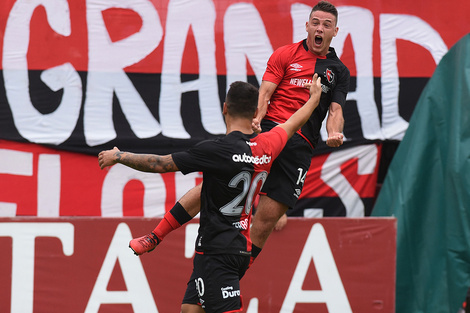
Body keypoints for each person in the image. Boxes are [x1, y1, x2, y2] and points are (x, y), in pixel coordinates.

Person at [115, 0, 350, 267]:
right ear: (307, 26)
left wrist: (335, 133)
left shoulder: (339, 71)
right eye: (316, 23)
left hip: (301, 145)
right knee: (214, 185)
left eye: (326, 25)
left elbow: (335, 110)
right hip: (270, 133)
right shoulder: (285, 54)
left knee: (267, 221)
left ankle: (232, 277)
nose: (320, 28)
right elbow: (265, 93)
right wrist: (258, 119)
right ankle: (155, 236)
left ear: (334, 32)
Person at [98, 75, 322, 313]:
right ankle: (155, 236)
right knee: (190, 310)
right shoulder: (268, 144)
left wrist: (119, 156)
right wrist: (314, 100)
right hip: (237, 248)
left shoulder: (216, 151)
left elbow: (161, 164)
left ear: (225, 108)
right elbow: (293, 123)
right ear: (256, 111)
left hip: (217, 252)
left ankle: (155, 237)